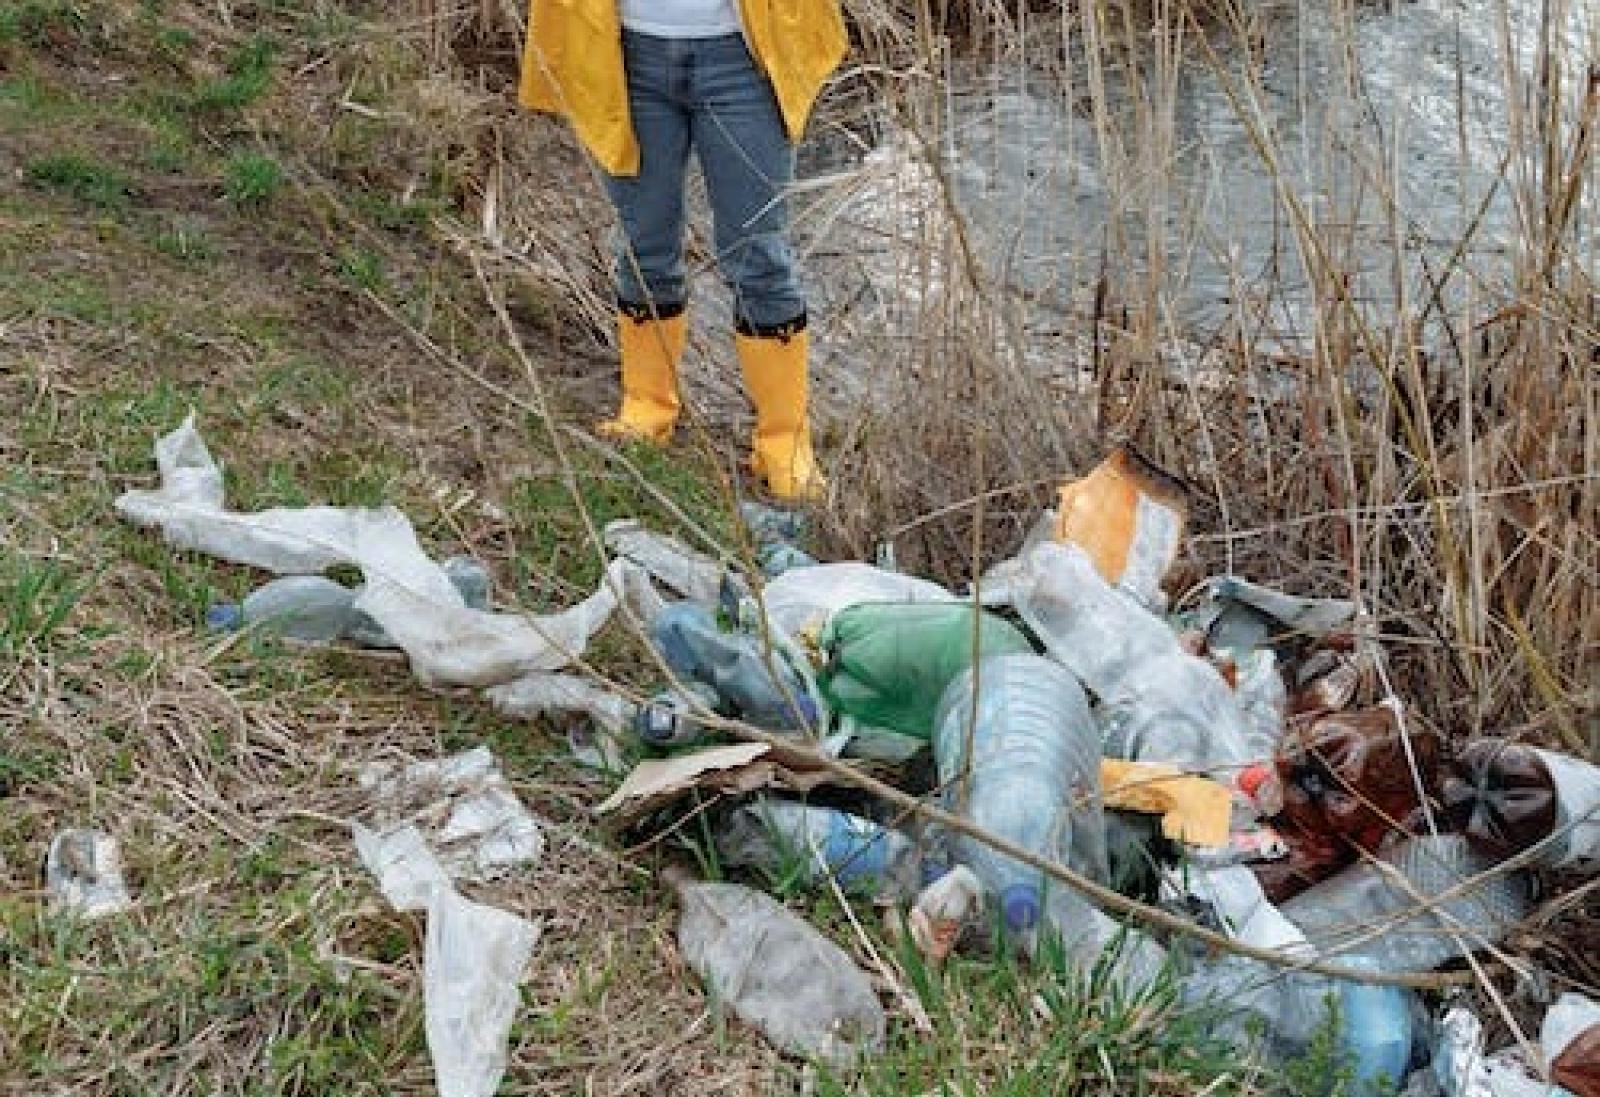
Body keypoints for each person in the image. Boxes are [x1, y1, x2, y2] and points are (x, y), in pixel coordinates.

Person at [518, 0, 847, 502]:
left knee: (757, 254)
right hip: (624, 54)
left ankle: (784, 439)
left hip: (747, 59)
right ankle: (647, 407)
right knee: (644, 245)